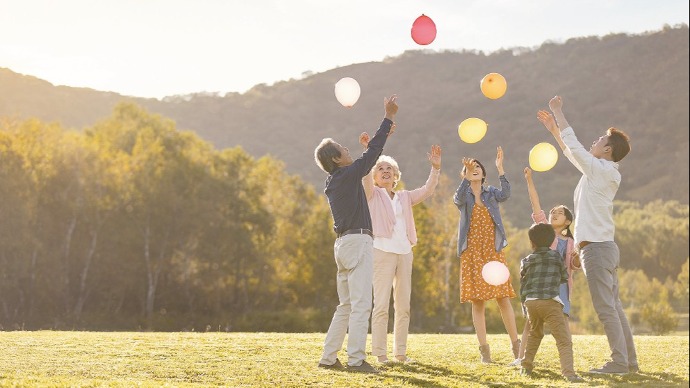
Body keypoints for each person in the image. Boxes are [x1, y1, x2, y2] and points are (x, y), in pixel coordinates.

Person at [538, 95, 638, 375]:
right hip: (600, 248)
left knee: (607, 309)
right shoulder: (599, 171)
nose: (594, 141)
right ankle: (629, 362)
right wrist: (555, 133)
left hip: (597, 249)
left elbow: (577, 148)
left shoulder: (602, 171)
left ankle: (619, 362)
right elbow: (573, 153)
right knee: (614, 307)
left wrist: (558, 112)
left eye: (598, 140)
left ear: (607, 150)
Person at [314, 94, 398, 374]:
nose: (348, 149)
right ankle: (356, 360)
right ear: (337, 159)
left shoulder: (334, 181)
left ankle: (328, 358)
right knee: (362, 305)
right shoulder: (347, 174)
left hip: (343, 245)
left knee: (346, 305)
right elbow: (372, 153)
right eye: (342, 148)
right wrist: (387, 118)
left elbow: (367, 156)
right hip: (358, 242)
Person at [359, 143, 442, 364]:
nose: (385, 171)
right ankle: (380, 353)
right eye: (381, 168)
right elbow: (365, 177)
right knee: (381, 305)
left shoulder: (405, 197)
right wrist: (370, 154)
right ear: (375, 176)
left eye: (390, 169)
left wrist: (435, 168)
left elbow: (427, 190)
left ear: (396, 175)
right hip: (381, 252)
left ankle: (400, 353)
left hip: (405, 252)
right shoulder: (372, 194)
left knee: (403, 306)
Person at [453, 147, 520, 364]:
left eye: (478, 167)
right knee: (478, 301)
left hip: (493, 251)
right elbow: (458, 199)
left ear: (483, 173)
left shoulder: (491, 193)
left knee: (503, 297)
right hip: (472, 252)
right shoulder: (464, 195)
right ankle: (485, 352)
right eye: (470, 168)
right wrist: (465, 178)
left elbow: (506, 194)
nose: (474, 169)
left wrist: (501, 169)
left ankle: (516, 347)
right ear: (465, 173)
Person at [509, 167, 581, 366]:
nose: (553, 213)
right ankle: (521, 358)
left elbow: (574, 267)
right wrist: (529, 180)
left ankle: (566, 361)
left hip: (561, 286)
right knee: (532, 323)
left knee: (562, 323)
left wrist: (576, 257)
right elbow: (536, 204)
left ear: (567, 221)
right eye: (553, 212)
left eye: (559, 213)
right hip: (540, 283)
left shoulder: (571, 243)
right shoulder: (544, 230)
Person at [519, 223, 584, 383]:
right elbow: (564, 276)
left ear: (532, 243)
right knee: (563, 339)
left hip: (531, 303)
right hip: (550, 302)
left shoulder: (526, 260)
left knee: (535, 334)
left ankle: (526, 367)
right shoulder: (556, 257)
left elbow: (523, 280)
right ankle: (569, 373)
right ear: (551, 242)